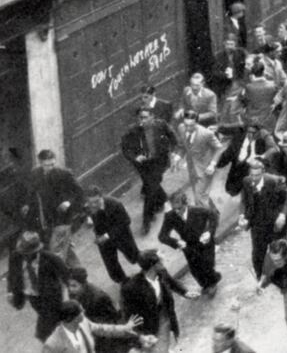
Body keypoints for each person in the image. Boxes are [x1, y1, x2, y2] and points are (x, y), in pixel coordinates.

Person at [121, 250, 200, 352]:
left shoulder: (161, 272)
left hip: (165, 316)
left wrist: (185, 292)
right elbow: (129, 315)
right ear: (153, 265)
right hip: (149, 326)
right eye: (160, 260)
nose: (164, 261)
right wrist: (139, 335)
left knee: (165, 342)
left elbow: (171, 282)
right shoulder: (132, 287)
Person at [121, 106, 177, 234]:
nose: (143, 120)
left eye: (145, 117)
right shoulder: (133, 131)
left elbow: (173, 137)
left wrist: (173, 152)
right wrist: (135, 157)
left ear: (152, 117)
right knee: (152, 187)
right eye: (140, 117)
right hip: (143, 165)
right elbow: (125, 148)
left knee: (151, 188)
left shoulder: (161, 125)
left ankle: (147, 220)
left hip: (159, 162)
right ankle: (160, 202)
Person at [7, 231, 68, 341]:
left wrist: (68, 296)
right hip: (34, 298)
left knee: (43, 333)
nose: (27, 255)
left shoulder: (50, 258)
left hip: (52, 298)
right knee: (55, 327)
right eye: (24, 253)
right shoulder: (15, 258)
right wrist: (11, 291)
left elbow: (66, 275)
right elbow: (12, 276)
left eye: (31, 253)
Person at [159, 192, 221, 296]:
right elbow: (162, 236)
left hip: (204, 243)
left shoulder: (197, 210)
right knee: (195, 269)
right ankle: (205, 284)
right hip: (188, 246)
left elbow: (213, 215)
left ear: (185, 204)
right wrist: (176, 242)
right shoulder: (170, 216)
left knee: (207, 265)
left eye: (179, 208)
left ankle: (212, 283)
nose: (177, 212)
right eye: (174, 209)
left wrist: (209, 232)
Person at [239, 159, 287, 279]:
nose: (254, 178)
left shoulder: (275, 180)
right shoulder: (246, 181)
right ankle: (260, 276)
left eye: (257, 175)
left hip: (275, 222)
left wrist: (283, 215)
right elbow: (244, 201)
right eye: (252, 175)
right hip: (257, 223)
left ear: (263, 172)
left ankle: (282, 275)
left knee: (278, 251)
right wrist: (242, 216)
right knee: (257, 253)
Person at [42, 300, 143, 353]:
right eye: (81, 311)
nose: (84, 311)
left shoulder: (84, 323)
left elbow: (102, 329)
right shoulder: (52, 343)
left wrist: (125, 327)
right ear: (72, 318)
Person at [85, 186, 140, 284]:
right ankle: (123, 281)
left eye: (96, 201)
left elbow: (126, 221)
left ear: (101, 196)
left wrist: (107, 236)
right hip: (102, 236)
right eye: (90, 202)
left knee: (133, 255)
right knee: (110, 263)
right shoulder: (88, 207)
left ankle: (148, 268)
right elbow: (86, 214)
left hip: (120, 235)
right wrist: (89, 219)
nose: (93, 205)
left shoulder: (115, 204)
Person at [174, 110, 224, 209]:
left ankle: (204, 219)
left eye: (191, 125)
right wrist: (178, 157)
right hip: (191, 167)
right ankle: (211, 212)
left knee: (200, 196)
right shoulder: (181, 128)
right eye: (186, 124)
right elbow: (182, 145)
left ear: (197, 123)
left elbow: (219, 148)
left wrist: (212, 165)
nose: (188, 128)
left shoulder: (206, 133)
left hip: (205, 168)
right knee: (198, 193)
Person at [216, 123, 271, 196]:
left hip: (247, 166)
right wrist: (217, 128)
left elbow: (269, 155)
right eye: (249, 132)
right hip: (235, 160)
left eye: (253, 133)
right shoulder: (240, 132)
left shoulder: (262, 142)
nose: (250, 135)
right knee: (230, 186)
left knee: (242, 185)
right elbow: (225, 129)